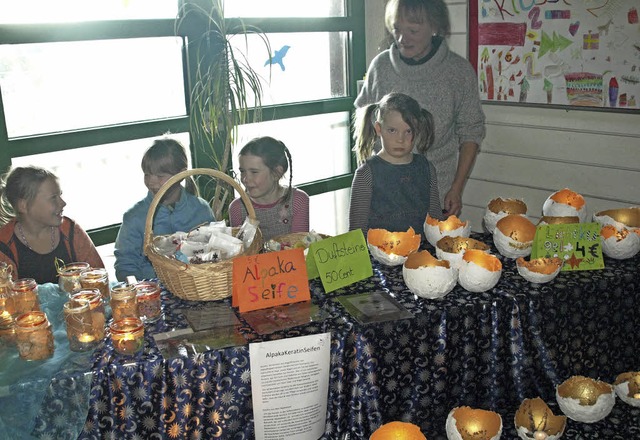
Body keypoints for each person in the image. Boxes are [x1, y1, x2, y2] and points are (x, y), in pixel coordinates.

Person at [355, 0, 485, 217]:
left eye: (413, 30)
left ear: (434, 26)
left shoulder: (458, 72)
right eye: (397, 29)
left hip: (435, 196)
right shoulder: (381, 66)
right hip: (382, 199)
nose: (402, 39)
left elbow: (471, 132)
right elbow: (364, 123)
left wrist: (456, 188)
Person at [114, 138, 215, 281]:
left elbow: (214, 253)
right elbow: (125, 266)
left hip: (197, 287)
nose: (151, 181)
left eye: (160, 176)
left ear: (181, 175)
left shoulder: (201, 210)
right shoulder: (134, 217)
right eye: (147, 174)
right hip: (152, 293)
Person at [349, 92, 443, 235]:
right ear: (379, 129)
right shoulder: (366, 173)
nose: (400, 139)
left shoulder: (426, 168)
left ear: (417, 130)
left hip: (420, 252)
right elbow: (356, 231)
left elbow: (436, 220)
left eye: (408, 131)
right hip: (378, 254)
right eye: (392, 130)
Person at [0, 166, 104, 284]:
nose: (63, 203)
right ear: (23, 206)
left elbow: (99, 278)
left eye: (60, 195)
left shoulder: (71, 231)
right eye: (53, 198)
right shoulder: (4, 246)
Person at [229, 136, 309, 241]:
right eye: (242, 171)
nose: (245, 179)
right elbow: (240, 251)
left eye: (254, 172)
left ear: (277, 173)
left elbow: (300, 247)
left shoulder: (298, 201)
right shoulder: (237, 208)